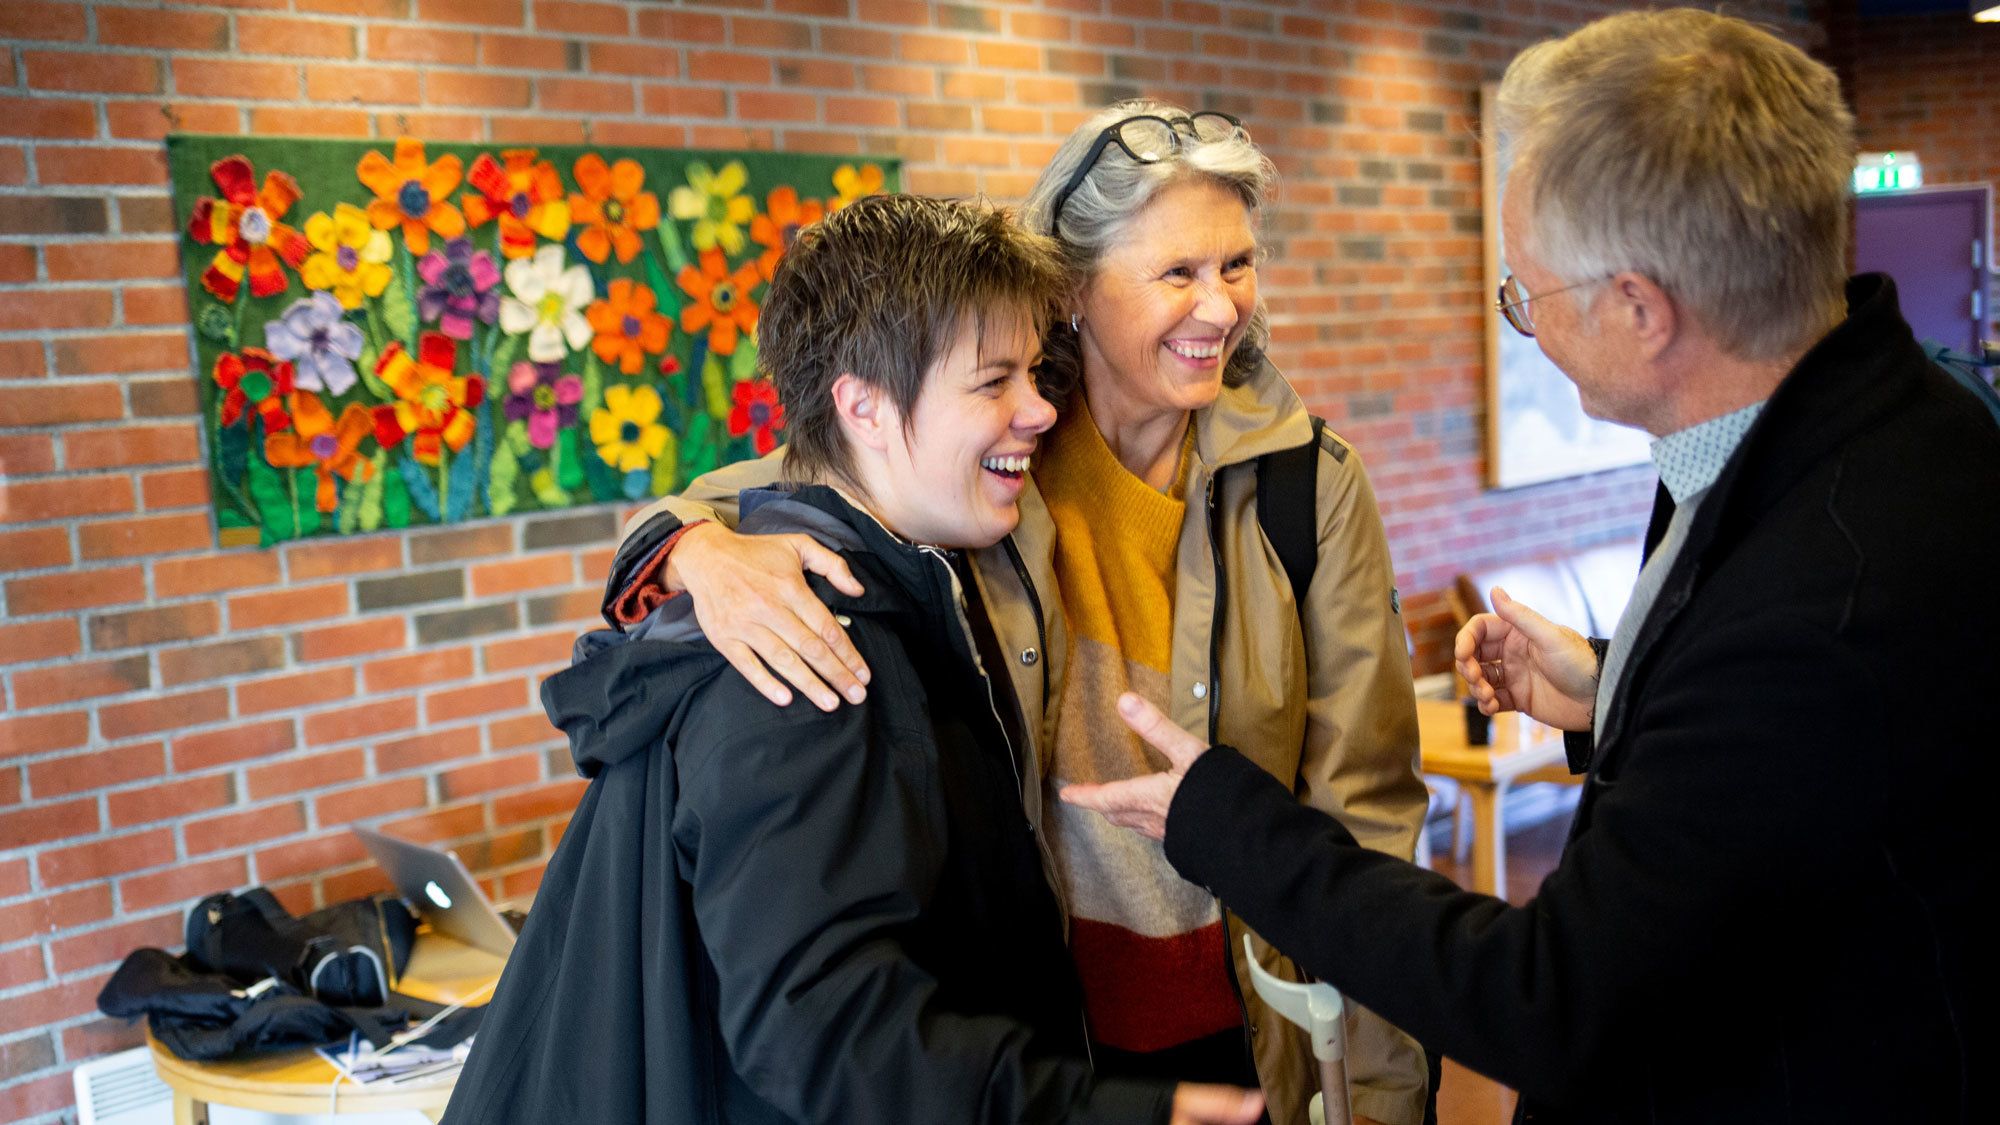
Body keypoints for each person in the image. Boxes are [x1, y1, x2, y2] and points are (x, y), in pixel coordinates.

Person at [1060, 9, 1999, 1123]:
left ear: (1640, 308)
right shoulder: (1920, 434)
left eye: (1527, 295)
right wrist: (1619, 686)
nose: (1525, 328)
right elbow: (1794, 768)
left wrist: (1223, 822)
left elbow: (1550, 996)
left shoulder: (1817, 597)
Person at [606, 103, 1432, 1125]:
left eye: (1237, 265)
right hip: (1044, 1039)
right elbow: (768, 486)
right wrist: (687, 548)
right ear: (1073, 288)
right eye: (1177, 273)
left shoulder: (1308, 484)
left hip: (1259, 1032)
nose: (1219, 306)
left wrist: (1387, 1096)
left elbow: (1367, 819)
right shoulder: (995, 452)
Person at [444, 195, 1264, 1125]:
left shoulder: (908, 582)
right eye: (993, 381)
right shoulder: (811, 651)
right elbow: (823, 1029)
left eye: (1035, 373)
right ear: (863, 406)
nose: (1040, 409)